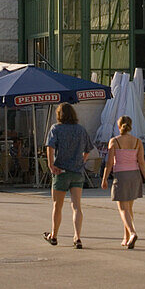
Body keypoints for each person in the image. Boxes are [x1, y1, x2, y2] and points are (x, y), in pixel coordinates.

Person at [43, 103, 93, 249]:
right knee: (76, 206)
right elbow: (88, 149)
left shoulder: (56, 128)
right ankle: (77, 237)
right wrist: (81, 161)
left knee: (57, 206)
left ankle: (54, 235)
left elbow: (50, 148)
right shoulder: (81, 130)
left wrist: (51, 165)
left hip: (61, 171)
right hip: (77, 172)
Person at [101, 115, 145, 249]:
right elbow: (142, 162)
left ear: (118, 127)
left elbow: (110, 162)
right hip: (135, 175)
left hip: (121, 176)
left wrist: (104, 178)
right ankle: (126, 236)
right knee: (129, 208)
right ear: (131, 126)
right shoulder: (137, 141)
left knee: (122, 208)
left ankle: (133, 232)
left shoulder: (114, 141)